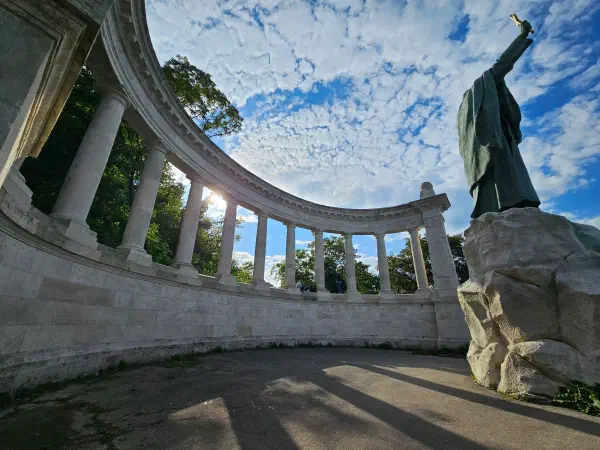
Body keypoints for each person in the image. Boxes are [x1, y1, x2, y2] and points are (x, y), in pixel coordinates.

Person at [457, 18, 540, 219]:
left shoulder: (466, 116)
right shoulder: (483, 87)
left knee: (503, 180)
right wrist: (521, 37)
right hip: (495, 144)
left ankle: (504, 211)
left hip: (491, 146)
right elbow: (504, 63)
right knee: (507, 179)